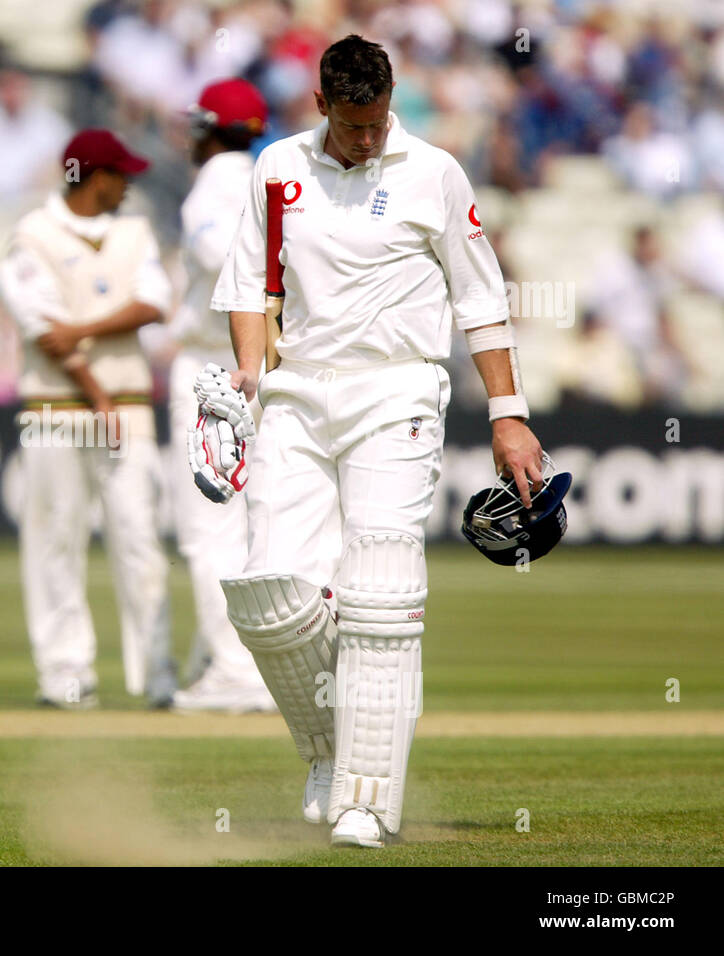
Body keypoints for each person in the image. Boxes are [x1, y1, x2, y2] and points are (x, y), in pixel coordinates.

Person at [205, 35, 544, 847]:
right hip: (298, 392)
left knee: (379, 596)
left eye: (379, 121)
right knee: (269, 591)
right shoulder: (278, 167)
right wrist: (248, 378)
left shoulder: (432, 171)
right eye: (353, 124)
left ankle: (366, 797)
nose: (367, 137)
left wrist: (508, 412)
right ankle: (331, 747)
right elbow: (248, 284)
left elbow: (480, 298)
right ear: (322, 104)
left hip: (398, 390)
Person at [0, 128, 175, 709]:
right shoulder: (32, 234)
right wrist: (95, 386)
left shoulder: (134, 230)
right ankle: (65, 675)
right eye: (120, 174)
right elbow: (41, 328)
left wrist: (81, 329)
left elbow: (154, 303)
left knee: (139, 539)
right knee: (56, 541)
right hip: (59, 409)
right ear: (96, 177)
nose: (128, 183)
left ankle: (157, 677)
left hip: (125, 408)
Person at [168, 78, 276, 715]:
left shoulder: (217, 181)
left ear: (210, 127)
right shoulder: (273, 174)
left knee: (209, 526)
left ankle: (237, 671)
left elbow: (220, 255)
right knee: (260, 520)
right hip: (260, 361)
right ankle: (242, 661)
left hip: (216, 366)